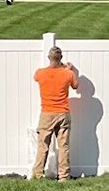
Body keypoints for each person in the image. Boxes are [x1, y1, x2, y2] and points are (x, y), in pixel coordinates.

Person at [31, 46, 82, 180]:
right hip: (63, 113)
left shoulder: (40, 73)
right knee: (63, 146)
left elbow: (35, 77)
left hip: (47, 113)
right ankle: (64, 177)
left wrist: (61, 66)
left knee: (43, 146)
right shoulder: (68, 74)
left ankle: (38, 175)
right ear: (61, 58)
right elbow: (76, 86)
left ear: (49, 57)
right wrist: (67, 68)